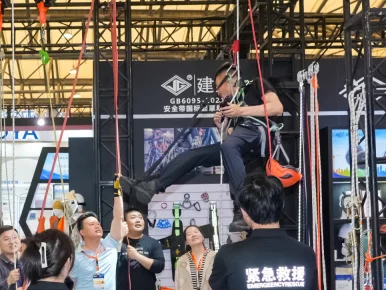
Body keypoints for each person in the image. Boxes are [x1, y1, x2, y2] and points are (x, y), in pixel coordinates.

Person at [119, 63, 288, 231]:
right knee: (194, 155)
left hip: (258, 133)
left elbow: (277, 108)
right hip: (240, 148)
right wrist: (221, 126)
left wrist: (240, 111)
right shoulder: (230, 104)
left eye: (217, 87)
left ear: (228, 80)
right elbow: (229, 140)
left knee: (229, 147)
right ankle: (151, 187)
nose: (217, 92)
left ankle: (241, 206)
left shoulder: (256, 84)